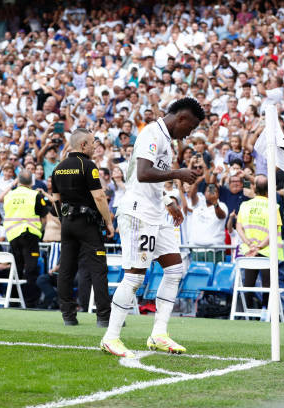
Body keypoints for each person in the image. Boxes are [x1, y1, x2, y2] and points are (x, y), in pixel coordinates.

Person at [101, 97, 203, 358]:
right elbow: (143, 174)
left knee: (174, 269)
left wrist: (169, 200)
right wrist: (178, 173)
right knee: (134, 276)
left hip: (156, 212)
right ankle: (111, 337)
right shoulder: (151, 134)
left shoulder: (167, 141)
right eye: (189, 128)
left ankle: (159, 333)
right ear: (181, 119)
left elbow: (154, 184)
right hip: (138, 214)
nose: (188, 134)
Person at [51, 128, 114, 326]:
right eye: (93, 142)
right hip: (87, 223)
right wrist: (109, 222)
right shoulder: (88, 165)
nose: (95, 146)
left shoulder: (58, 168)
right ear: (83, 145)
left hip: (67, 223)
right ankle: (104, 317)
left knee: (66, 270)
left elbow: (56, 200)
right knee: (98, 269)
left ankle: (68, 316)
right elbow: (99, 196)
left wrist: (64, 221)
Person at [236, 175, 284, 315]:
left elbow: (239, 227)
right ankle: (265, 312)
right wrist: (260, 247)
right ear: (269, 191)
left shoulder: (245, 205)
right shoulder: (273, 206)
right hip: (268, 251)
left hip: (248, 251)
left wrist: (249, 244)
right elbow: (273, 231)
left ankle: (247, 315)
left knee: (248, 284)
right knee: (268, 285)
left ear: (254, 189)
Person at [3, 169, 49, 307]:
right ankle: (30, 301)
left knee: (16, 267)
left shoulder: (9, 195)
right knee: (31, 268)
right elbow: (44, 218)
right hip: (30, 234)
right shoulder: (35, 195)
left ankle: (14, 299)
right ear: (32, 182)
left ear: (18, 180)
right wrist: (39, 230)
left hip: (12, 234)